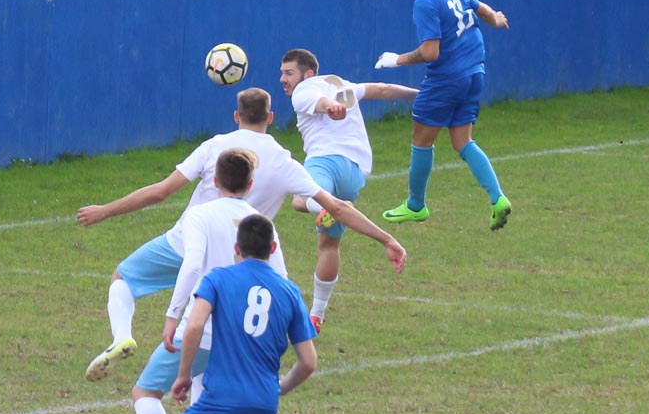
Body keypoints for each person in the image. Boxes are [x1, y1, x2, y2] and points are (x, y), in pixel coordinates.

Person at [77, 87, 406, 382]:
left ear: (236, 116)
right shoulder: (283, 161)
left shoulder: (216, 146)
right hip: (237, 261)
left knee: (123, 278)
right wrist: (387, 239)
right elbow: (337, 208)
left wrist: (105, 210)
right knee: (216, 342)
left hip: (183, 244)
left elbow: (161, 192)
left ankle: (122, 336)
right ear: (270, 118)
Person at [134, 147, 287, 414]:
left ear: (215, 181)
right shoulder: (260, 223)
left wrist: (172, 314)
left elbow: (191, 266)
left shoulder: (200, 215)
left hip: (200, 333)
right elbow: (280, 280)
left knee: (145, 391)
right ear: (250, 184)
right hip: (245, 339)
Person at [144, 213, 317, 414]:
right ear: (273, 249)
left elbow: (195, 325)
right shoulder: (290, 291)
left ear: (237, 248)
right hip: (264, 404)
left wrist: (184, 374)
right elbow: (308, 362)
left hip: (224, 399)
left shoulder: (218, 279)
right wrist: (278, 388)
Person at [375, 0, 512, 231]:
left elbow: (430, 52)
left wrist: (396, 60)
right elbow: (483, 10)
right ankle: (498, 198)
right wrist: (497, 20)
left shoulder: (425, 1)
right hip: (474, 73)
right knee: (463, 141)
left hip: (446, 79)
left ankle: (415, 206)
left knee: (421, 139)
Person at [279, 48, 418, 332]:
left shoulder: (304, 90)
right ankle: (317, 314)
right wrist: (420, 95)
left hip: (325, 162)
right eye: (282, 73)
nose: (283, 79)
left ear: (308, 74)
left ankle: (331, 207)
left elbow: (321, 103)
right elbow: (383, 89)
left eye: (289, 73)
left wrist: (332, 107)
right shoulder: (341, 84)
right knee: (327, 242)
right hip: (355, 173)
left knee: (301, 200)